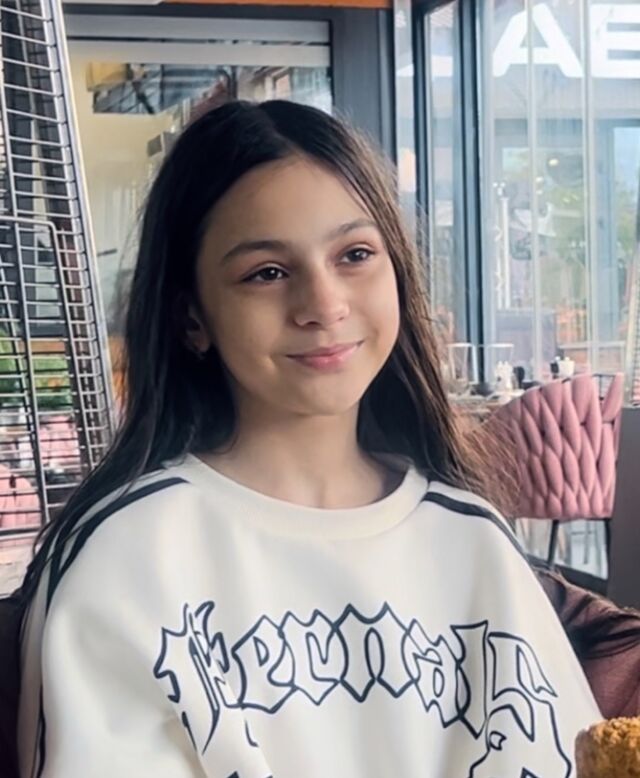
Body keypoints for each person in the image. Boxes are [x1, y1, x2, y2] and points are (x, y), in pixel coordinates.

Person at [16, 100, 600, 777]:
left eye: (355, 255)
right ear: (192, 317)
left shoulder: (473, 538)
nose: (324, 305)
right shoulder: (126, 552)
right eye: (267, 272)